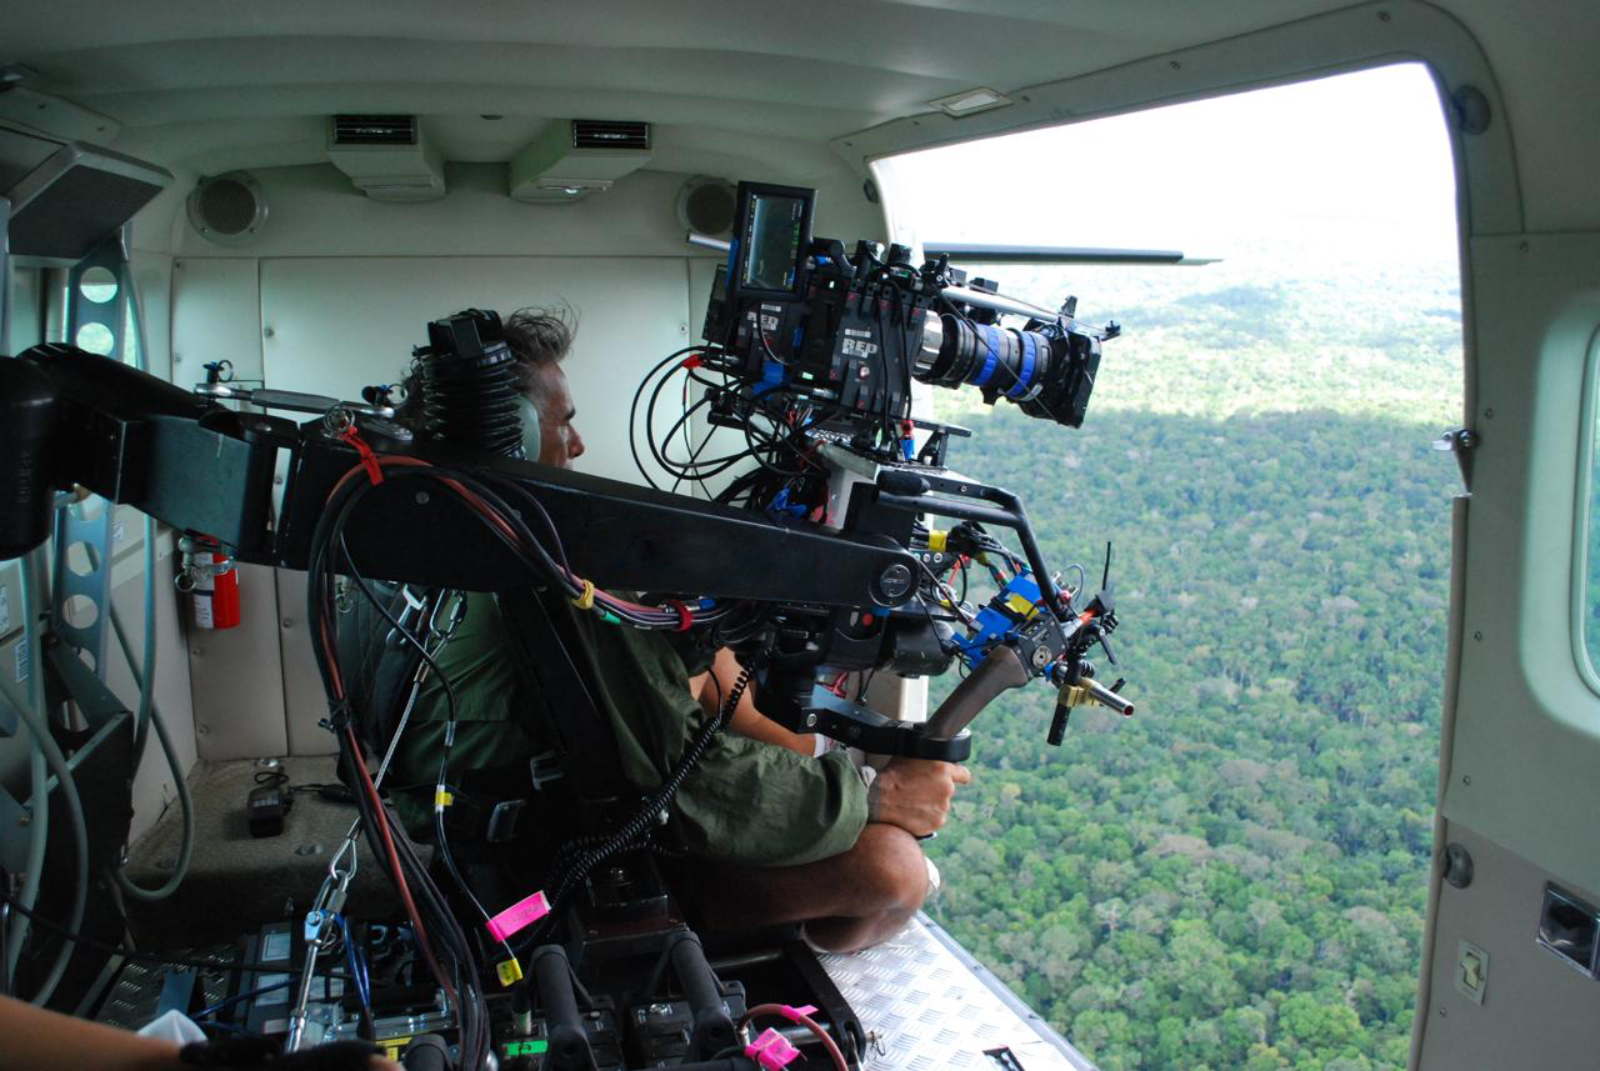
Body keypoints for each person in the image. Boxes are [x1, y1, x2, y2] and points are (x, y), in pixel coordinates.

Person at [386, 307, 969, 953]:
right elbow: (689, 779)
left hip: (455, 822)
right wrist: (872, 796)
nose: (577, 443)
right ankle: (710, 920)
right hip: (543, 855)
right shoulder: (551, 562)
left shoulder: (424, 527)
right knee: (894, 869)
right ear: (516, 432)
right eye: (564, 420)